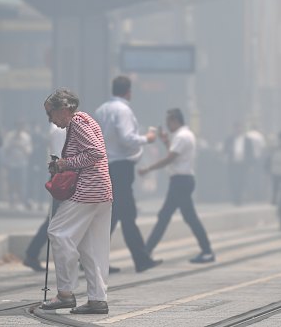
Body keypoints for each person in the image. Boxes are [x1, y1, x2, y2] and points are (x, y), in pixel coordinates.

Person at [39, 89, 112, 314]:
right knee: (90, 247)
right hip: (102, 190)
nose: (50, 119)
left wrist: (65, 164)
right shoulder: (86, 119)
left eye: (51, 114)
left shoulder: (77, 122)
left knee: (58, 233)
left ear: (64, 109)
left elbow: (96, 152)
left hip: (87, 189)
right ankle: (98, 299)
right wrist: (65, 163)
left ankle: (65, 293)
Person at [94, 75, 162, 273]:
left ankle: (95, 259)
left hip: (105, 166)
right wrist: (147, 138)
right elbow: (126, 138)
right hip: (121, 167)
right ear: (128, 91)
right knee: (127, 214)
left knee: (113, 214)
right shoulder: (122, 110)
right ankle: (141, 259)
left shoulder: (101, 110)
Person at [138, 108, 215, 263]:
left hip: (180, 181)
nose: (167, 126)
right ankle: (206, 250)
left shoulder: (181, 136)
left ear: (175, 120)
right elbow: (174, 155)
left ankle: (146, 252)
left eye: (168, 122)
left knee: (166, 217)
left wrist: (148, 169)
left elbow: (170, 159)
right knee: (180, 217)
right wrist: (166, 141)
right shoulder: (185, 135)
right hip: (183, 181)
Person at [23, 123, 66, 272]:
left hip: (63, 175)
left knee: (63, 217)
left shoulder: (58, 128)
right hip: (64, 176)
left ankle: (32, 253)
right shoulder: (60, 129)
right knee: (55, 218)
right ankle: (32, 253)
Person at [3, 121, 33, 209]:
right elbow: (5, 149)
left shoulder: (26, 137)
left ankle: (22, 201)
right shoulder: (9, 136)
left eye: (21, 126)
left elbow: (29, 151)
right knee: (11, 182)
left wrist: (21, 146)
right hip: (11, 163)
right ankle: (11, 201)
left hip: (22, 163)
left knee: (22, 183)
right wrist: (12, 145)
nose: (19, 128)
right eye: (17, 126)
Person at [223, 122, 254, 205]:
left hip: (243, 164)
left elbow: (251, 153)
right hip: (232, 164)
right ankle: (235, 197)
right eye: (236, 128)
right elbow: (224, 150)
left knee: (242, 181)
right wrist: (228, 151)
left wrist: (251, 165)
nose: (238, 130)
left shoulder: (247, 140)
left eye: (239, 128)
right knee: (233, 181)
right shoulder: (229, 139)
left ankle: (239, 199)